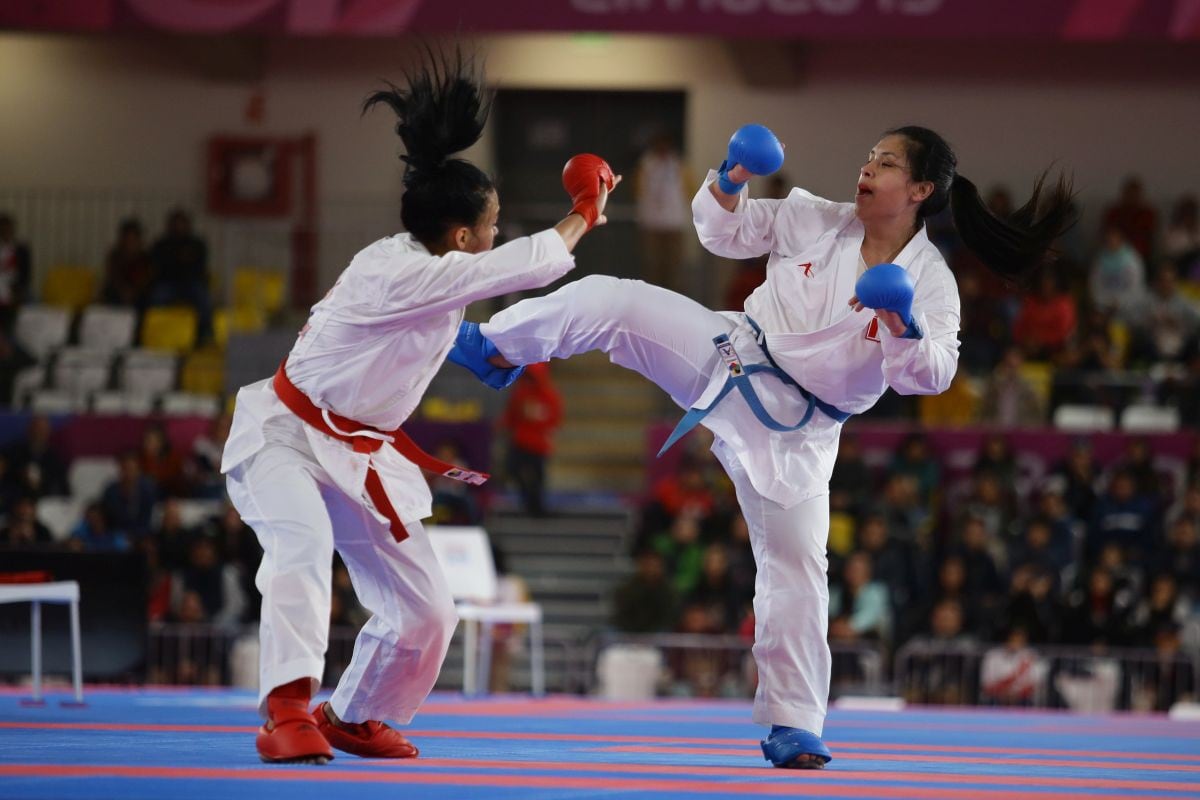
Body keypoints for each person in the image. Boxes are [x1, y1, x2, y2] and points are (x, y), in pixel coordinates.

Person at [462, 124, 1075, 767]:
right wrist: (730, 178)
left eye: (886, 163)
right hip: (733, 356)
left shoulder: (931, 282)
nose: (866, 168)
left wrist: (901, 320)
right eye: (868, 155)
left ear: (921, 189)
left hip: (804, 431)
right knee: (616, 300)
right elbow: (724, 232)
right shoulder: (816, 217)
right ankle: (497, 346)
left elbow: (931, 374)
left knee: (797, 570)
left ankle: (794, 724)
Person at [219, 49, 617, 765]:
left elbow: (438, 321)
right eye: (492, 225)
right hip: (282, 439)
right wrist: (584, 213)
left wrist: (474, 351)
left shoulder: (417, 273)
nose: (495, 235)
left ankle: (355, 712)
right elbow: (515, 267)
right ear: (462, 238)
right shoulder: (401, 272)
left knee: (430, 612)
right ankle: (285, 709)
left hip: (359, 455)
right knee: (301, 549)